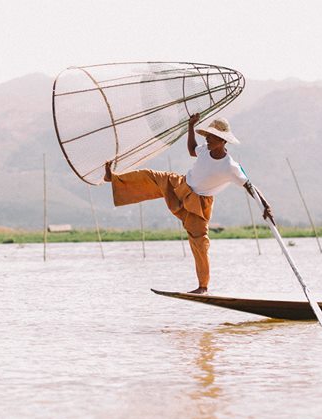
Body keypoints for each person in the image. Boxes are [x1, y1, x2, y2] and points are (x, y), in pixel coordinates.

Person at [104, 112, 272, 294]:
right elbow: (192, 149)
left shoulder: (230, 167)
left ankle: (203, 287)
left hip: (198, 204)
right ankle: (113, 178)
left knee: (199, 244)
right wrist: (191, 126)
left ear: (223, 141)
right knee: (150, 176)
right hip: (181, 184)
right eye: (207, 136)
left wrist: (265, 205)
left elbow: (250, 186)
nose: (208, 140)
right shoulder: (205, 150)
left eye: (212, 138)